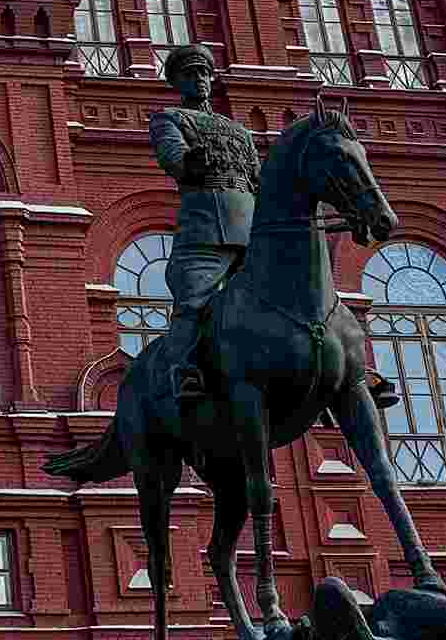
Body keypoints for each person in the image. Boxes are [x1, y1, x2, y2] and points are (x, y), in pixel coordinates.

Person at [148, 46, 397, 409]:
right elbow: (174, 159)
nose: (199, 80)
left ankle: (351, 368)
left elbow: (260, 183)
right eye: (190, 74)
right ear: (176, 82)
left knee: (309, 288)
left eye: (203, 73)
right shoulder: (169, 119)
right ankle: (184, 369)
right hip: (206, 230)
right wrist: (191, 162)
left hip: (255, 229)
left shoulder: (238, 131)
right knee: (193, 300)